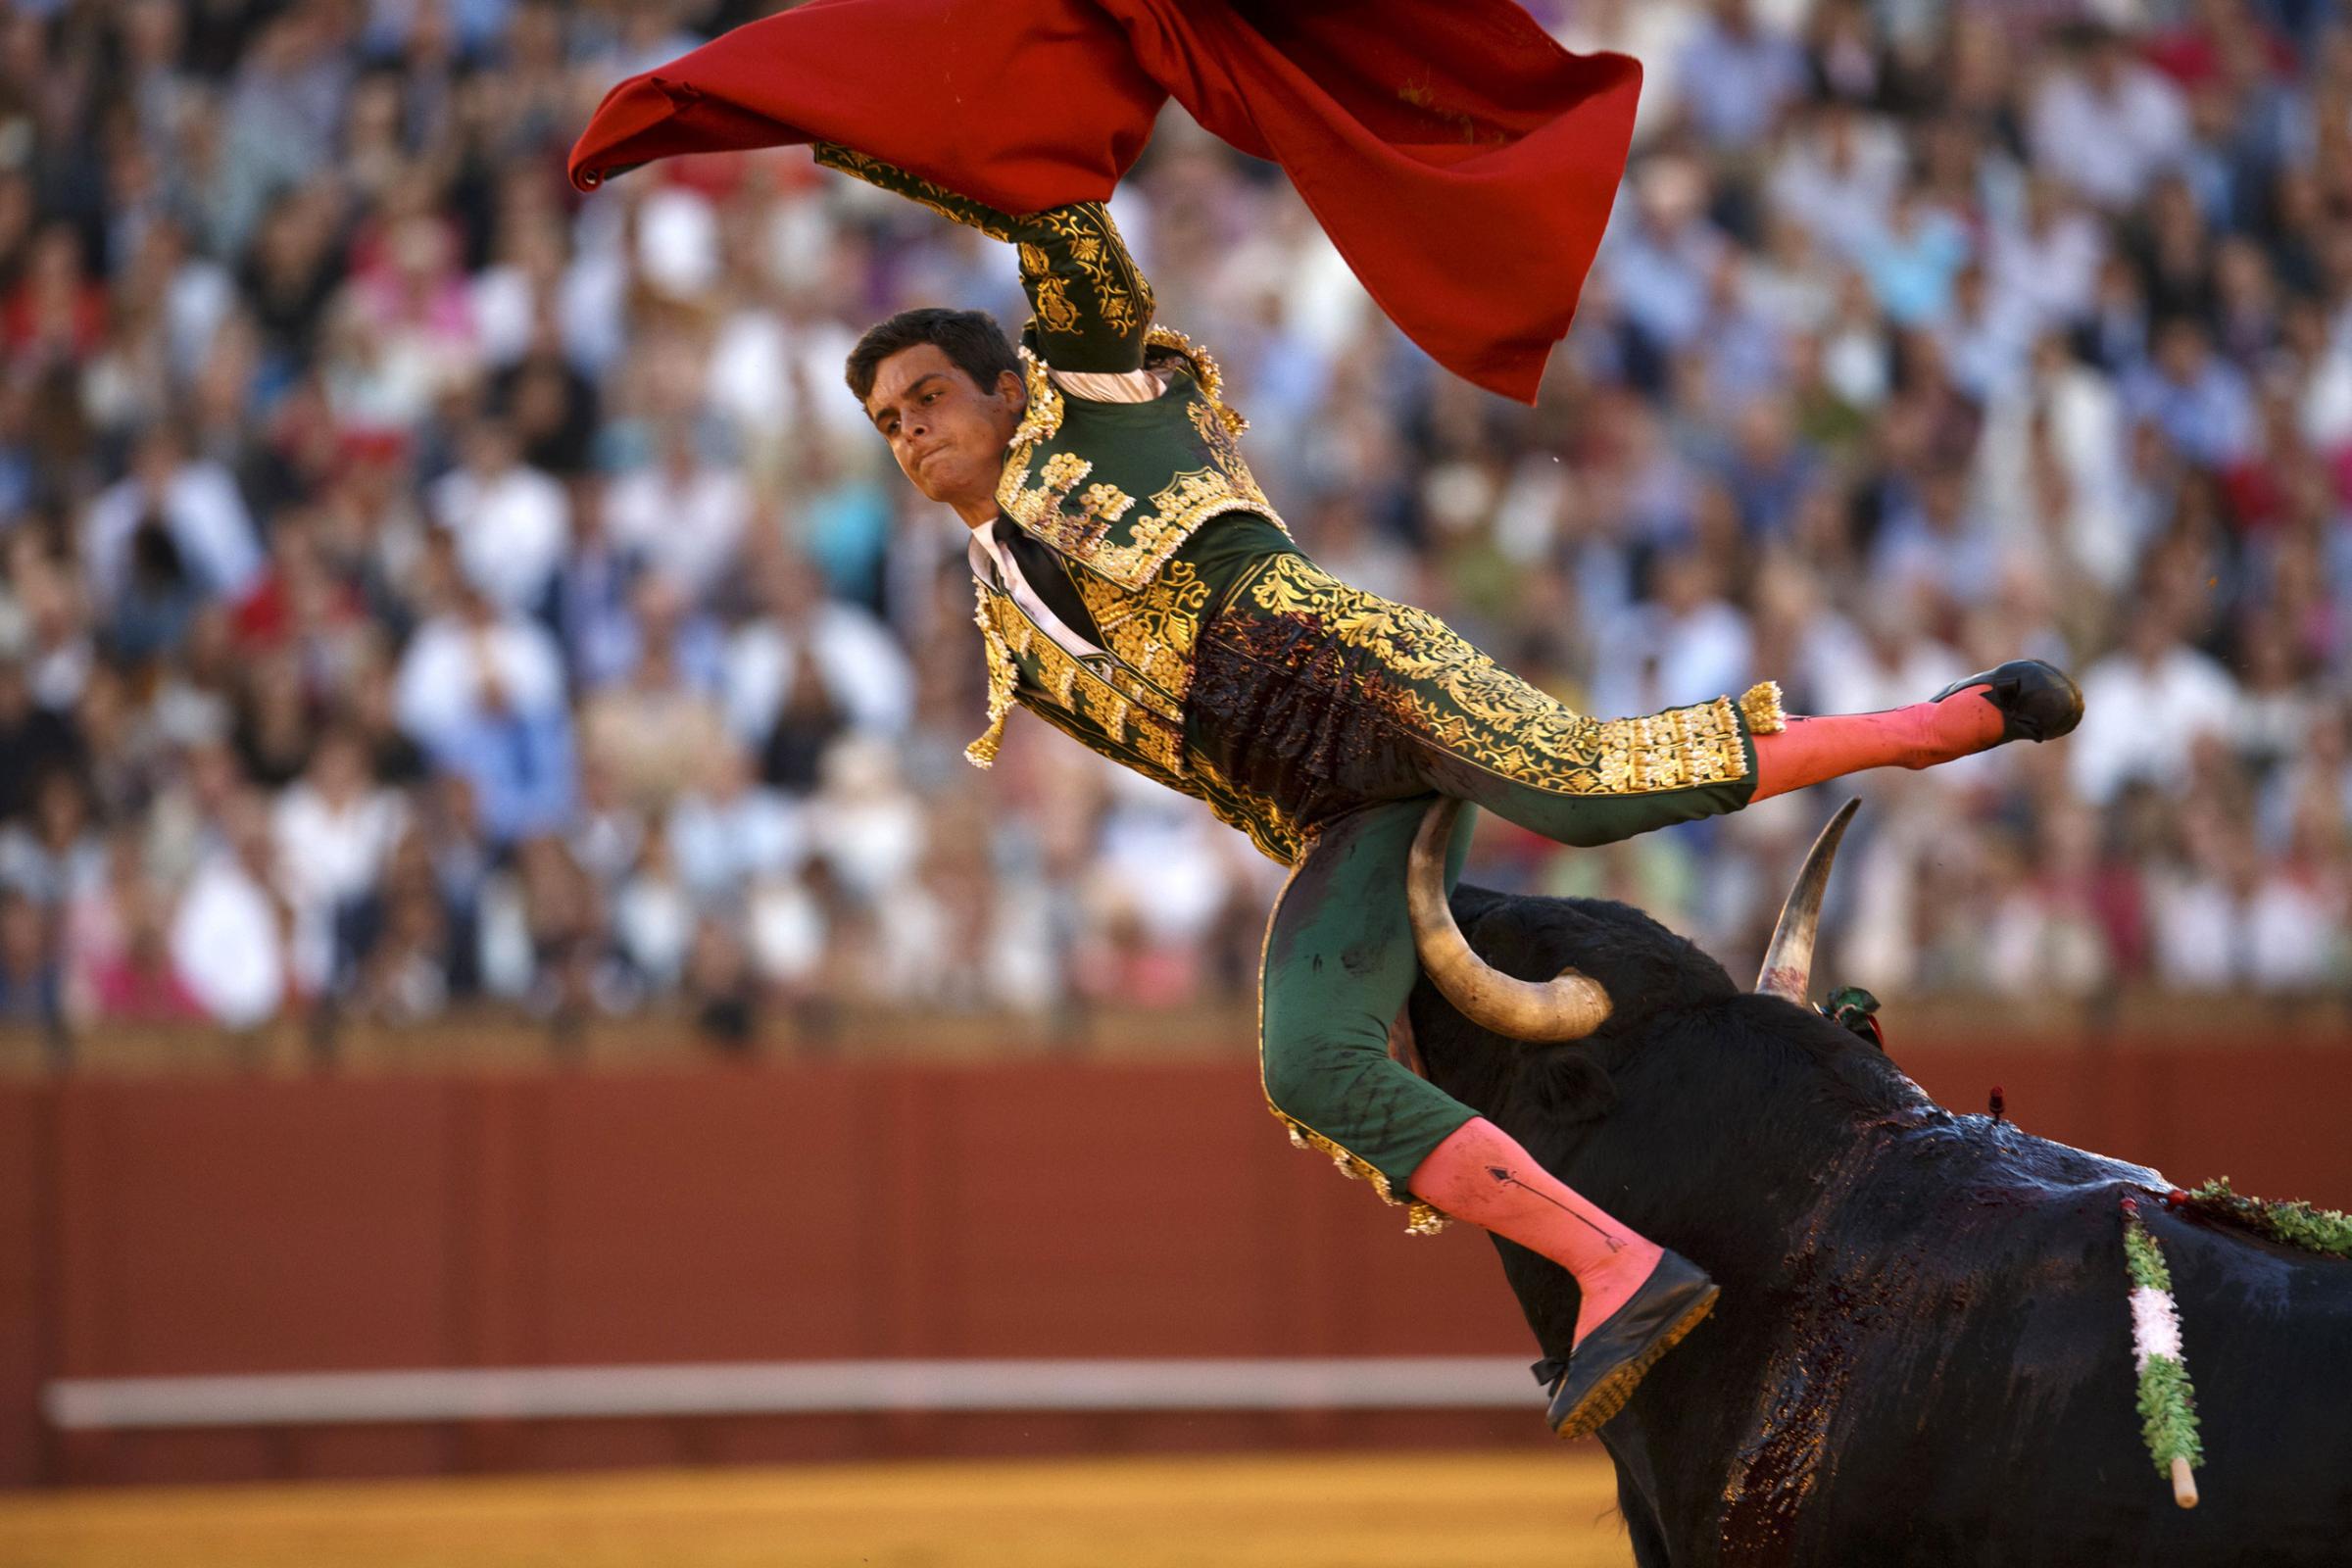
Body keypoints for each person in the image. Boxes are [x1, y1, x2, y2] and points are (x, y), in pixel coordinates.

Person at [819, 146, 2083, 1438]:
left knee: (1586, 793)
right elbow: (1188, 761)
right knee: (1308, 1063)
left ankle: (1937, 723)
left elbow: (1072, 247)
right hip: (1327, 813)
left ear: (1008, 387)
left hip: (1354, 669)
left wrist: (936, 136)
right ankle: (1620, 1268)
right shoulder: (1006, 641)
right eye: (889, 421)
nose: (912, 430)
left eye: (927, 396)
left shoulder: (1089, 408)